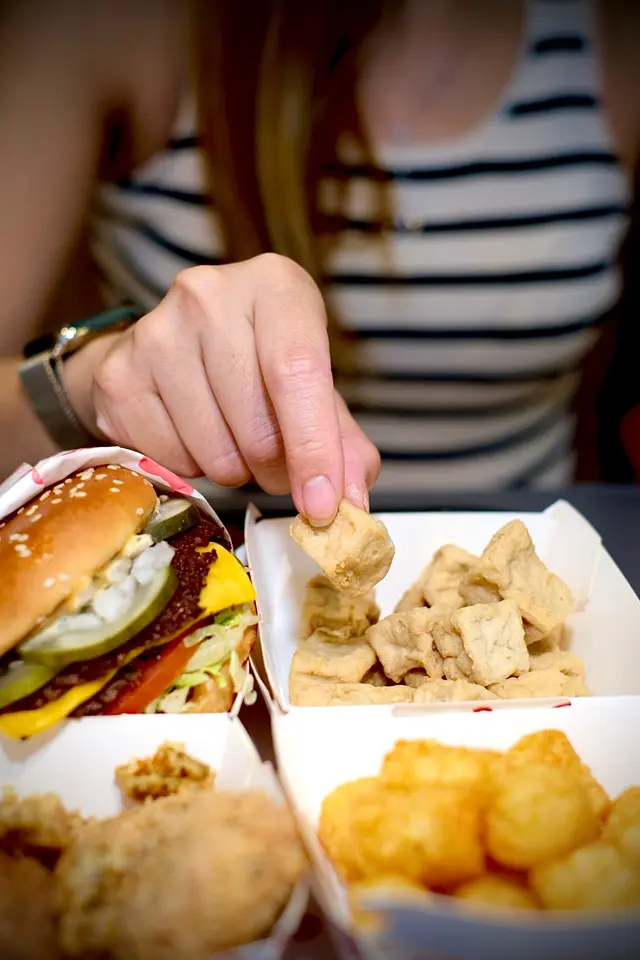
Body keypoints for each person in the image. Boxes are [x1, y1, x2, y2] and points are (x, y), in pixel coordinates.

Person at [0, 0, 638, 524]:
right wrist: (90, 385)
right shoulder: (106, 22)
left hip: (547, 558)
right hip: (207, 560)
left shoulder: (614, 37)